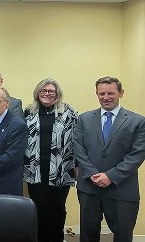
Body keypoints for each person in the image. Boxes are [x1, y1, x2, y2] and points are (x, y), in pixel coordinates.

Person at [73, 76, 145, 242]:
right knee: (88, 233)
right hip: (89, 187)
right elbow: (78, 148)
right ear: (97, 94)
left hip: (123, 187)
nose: (106, 97)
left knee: (123, 234)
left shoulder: (138, 121)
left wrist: (110, 176)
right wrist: (91, 173)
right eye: (101, 93)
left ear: (121, 93)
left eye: (111, 93)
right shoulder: (84, 119)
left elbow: (137, 154)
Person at [23, 78, 78, 242]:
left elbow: (79, 140)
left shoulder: (68, 111)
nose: (47, 94)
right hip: (35, 169)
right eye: (43, 91)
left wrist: (79, 165)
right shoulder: (28, 112)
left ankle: (57, 238)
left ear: (57, 94)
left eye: (51, 91)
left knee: (58, 207)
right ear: (37, 93)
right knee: (38, 206)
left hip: (62, 168)